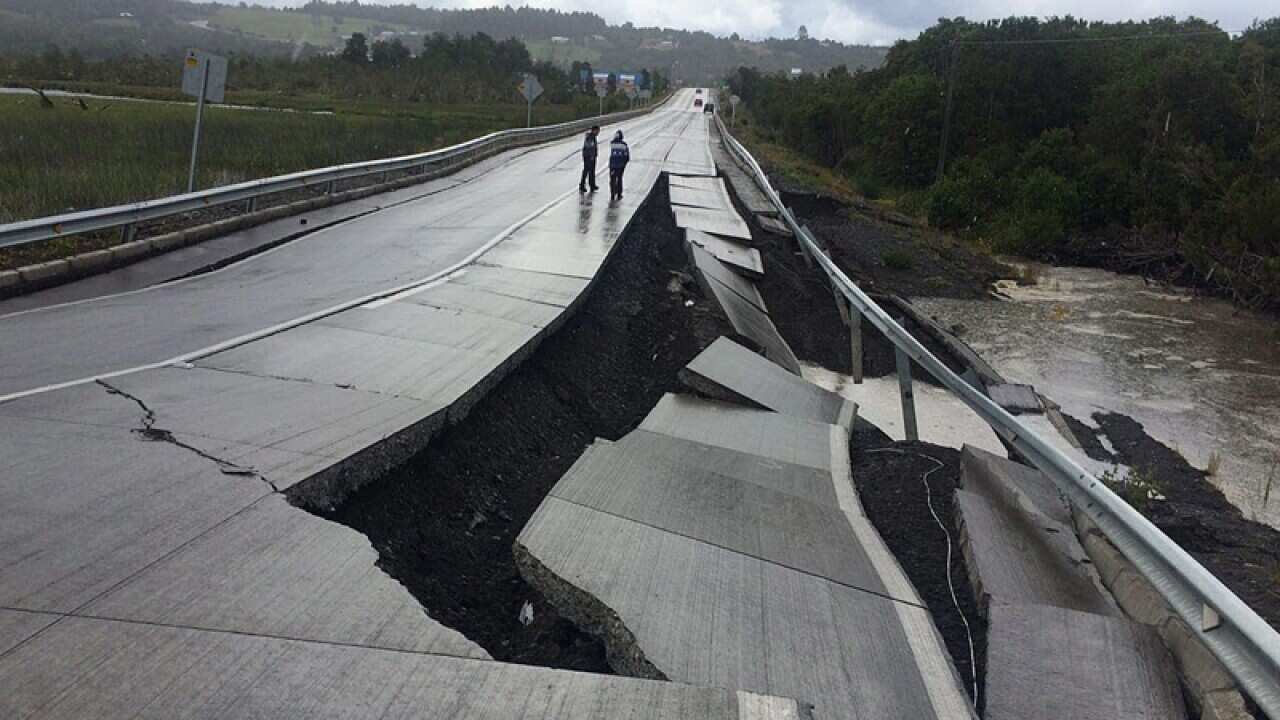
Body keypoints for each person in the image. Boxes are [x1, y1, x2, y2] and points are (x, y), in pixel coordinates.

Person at [608, 129, 630, 201]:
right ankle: (619, 194)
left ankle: (612, 194)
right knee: (619, 179)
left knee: (612, 179)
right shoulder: (624, 145)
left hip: (612, 165)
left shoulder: (612, 144)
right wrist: (624, 163)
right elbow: (626, 156)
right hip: (620, 165)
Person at [579, 125, 600, 192]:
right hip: (588, 157)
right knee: (586, 171)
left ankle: (592, 185)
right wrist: (591, 156)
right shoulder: (590, 137)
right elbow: (589, 147)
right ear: (594, 130)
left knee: (592, 171)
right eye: (598, 131)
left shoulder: (593, 137)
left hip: (591, 156)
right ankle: (582, 185)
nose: (598, 132)